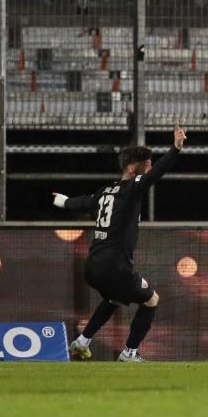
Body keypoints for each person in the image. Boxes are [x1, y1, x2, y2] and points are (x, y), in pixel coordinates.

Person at [54, 120, 186, 362]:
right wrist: (175, 149)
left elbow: (83, 202)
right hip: (115, 266)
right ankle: (130, 352)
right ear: (133, 168)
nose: (150, 168)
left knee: (114, 298)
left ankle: (82, 342)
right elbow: (157, 175)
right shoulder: (131, 188)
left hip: (93, 266)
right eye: (147, 165)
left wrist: (62, 201)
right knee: (151, 300)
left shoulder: (106, 191)